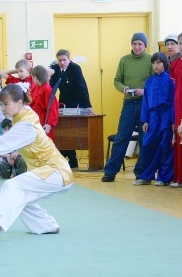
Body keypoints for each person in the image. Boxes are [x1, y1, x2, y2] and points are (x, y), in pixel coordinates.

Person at [0, 57, 73, 245]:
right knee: (21, 196)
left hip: (56, 173)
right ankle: (46, 225)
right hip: (47, 173)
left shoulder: (26, 124)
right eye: (1, 105)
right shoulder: (19, 112)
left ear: (19, 102)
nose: (2, 109)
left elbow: (1, 144)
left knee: (12, 186)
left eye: (5, 105)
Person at [101, 33, 154, 182]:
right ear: (131, 45)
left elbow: (153, 81)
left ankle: (141, 173)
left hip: (145, 104)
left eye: (140, 44)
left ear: (145, 46)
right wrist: (124, 88)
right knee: (121, 138)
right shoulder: (124, 60)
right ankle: (110, 171)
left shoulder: (151, 60)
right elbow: (117, 80)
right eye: (135, 44)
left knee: (145, 140)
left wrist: (144, 91)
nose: (137, 47)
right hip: (129, 104)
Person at [133, 52, 175, 186]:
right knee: (147, 145)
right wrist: (145, 120)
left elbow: (174, 101)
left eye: (159, 63)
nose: (156, 66)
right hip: (152, 117)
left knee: (165, 146)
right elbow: (145, 102)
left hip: (166, 115)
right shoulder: (149, 82)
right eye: (154, 63)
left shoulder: (170, 80)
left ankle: (163, 177)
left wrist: (173, 121)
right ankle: (146, 176)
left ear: (164, 64)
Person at [49, 49, 94, 168]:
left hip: (76, 101)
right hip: (62, 101)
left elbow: (82, 87)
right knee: (63, 131)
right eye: (60, 60)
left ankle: (71, 158)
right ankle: (70, 158)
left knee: (72, 130)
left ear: (69, 59)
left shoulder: (75, 68)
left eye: (64, 60)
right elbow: (51, 88)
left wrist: (87, 105)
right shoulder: (54, 69)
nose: (62, 63)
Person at [31, 65, 59, 141]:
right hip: (37, 118)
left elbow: (52, 108)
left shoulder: (47, 89)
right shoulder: (38, 87)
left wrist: (49, 124)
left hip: (44, 119)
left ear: (35, 78)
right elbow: (33, 102)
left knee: (45, 142)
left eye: (32, 77)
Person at [171, 32, 182, 188]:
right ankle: (179, 178)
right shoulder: (175, 64)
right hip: (178, 105)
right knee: (179, 137)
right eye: (181, 42)